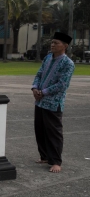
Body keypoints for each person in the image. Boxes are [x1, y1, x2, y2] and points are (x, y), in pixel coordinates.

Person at [32, 32, 75, 173]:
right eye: (52, 42)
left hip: (53, 102)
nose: (52, 44)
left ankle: (56, 161)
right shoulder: (48, 58)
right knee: (40, 129)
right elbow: (39, 74)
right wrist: (35, 88)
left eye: (56, 43)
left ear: (65, 46)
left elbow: (62, 84)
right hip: (40, 101)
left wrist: (43, 92)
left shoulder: (68, 63)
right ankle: (44, 156)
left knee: (53, 132)